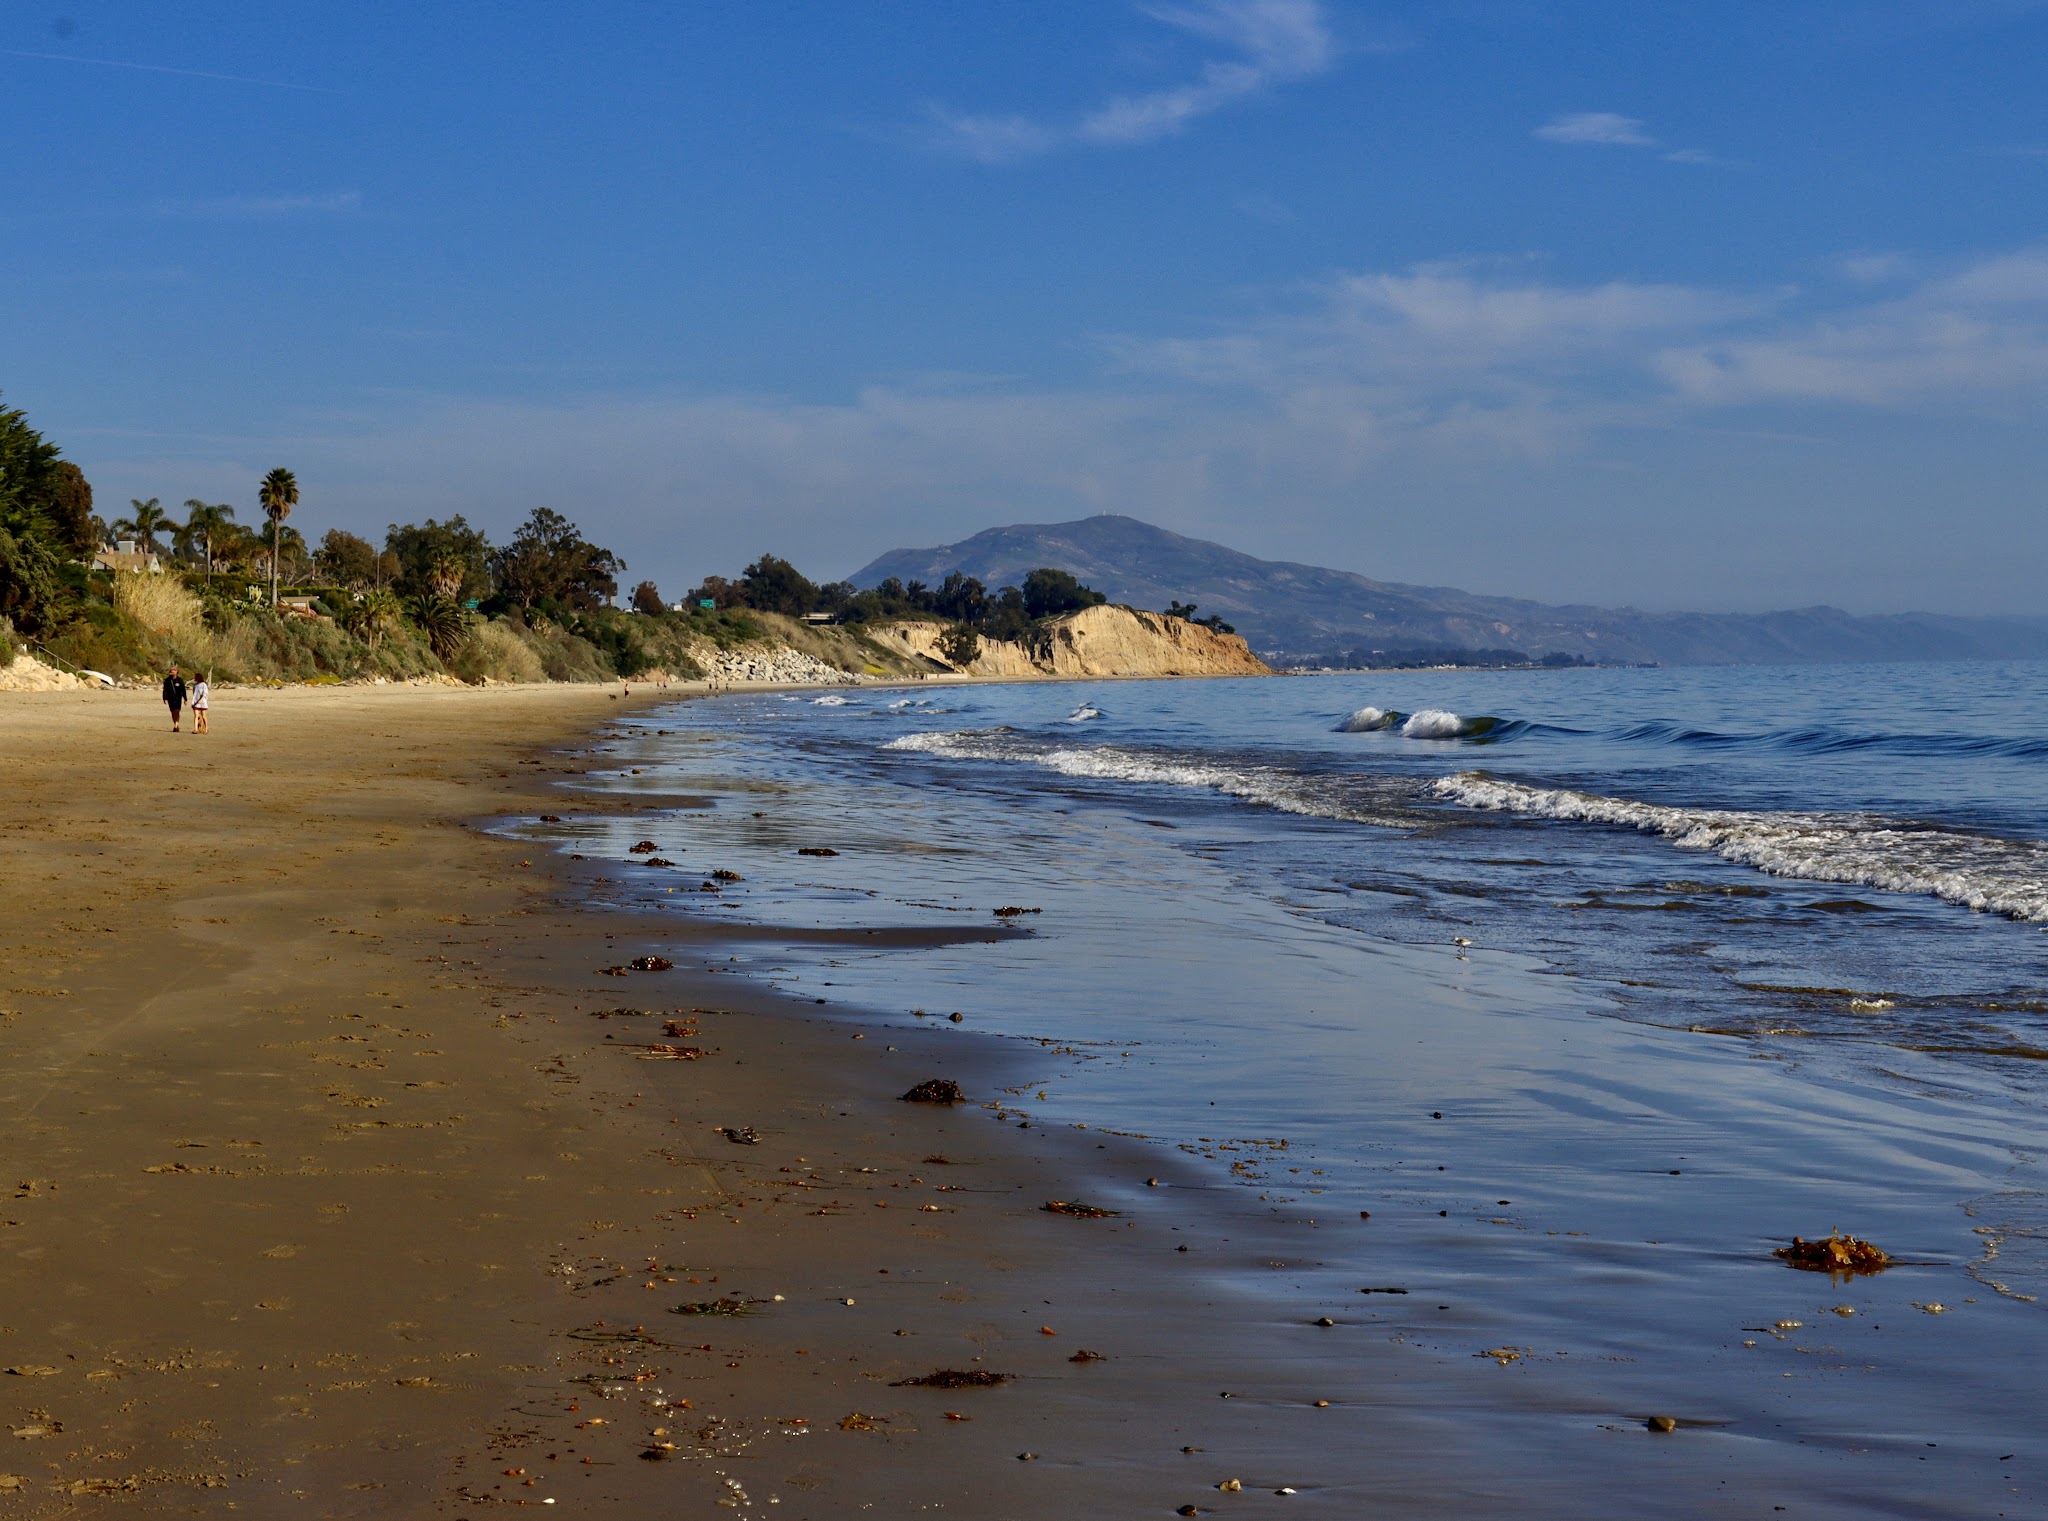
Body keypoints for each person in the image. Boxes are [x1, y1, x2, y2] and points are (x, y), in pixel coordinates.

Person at [161, 665, 187, 732]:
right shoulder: (167, 680)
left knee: (177, 711)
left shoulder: (180, 680)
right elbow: (165, 690)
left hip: (178, 698)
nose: (172, 671)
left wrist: (185, 699)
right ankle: (176, 724)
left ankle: (176, 725)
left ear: (177, 671)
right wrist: (165, 698)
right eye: (171, 670)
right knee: (173, 712)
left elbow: (183, 690)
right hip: (170, 698)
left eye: (174, 670)